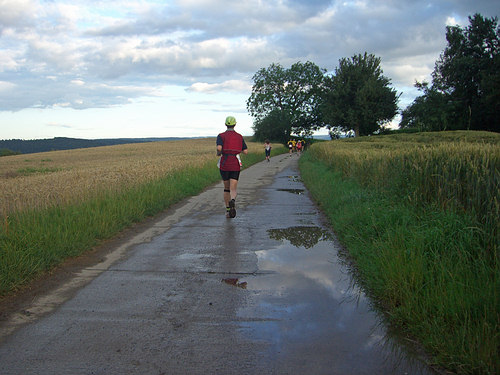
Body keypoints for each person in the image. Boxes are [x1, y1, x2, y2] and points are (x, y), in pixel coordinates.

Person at [217, 116, 248, 218]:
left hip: (225, 163)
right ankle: (233, 200)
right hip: (235, 163)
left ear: (226, 124)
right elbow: (246, 151)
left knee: (226, 188)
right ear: (235, 124)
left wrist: (219, 153)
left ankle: (227, 210)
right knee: (233, 188)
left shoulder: (221, 136)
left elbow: (219, 148)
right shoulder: (239, 136)